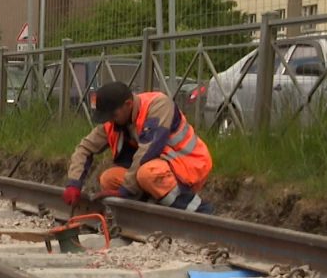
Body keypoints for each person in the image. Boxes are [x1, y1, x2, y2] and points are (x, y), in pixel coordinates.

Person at [63, 81, 214, 214]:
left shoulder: (158, 105)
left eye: (113, 115)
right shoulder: (114, 122)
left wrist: (125, 190)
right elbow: (84, 148)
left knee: (147, 174)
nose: (109, 120)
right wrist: (74, 183)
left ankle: (202, 212)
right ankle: (152, 211)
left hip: (189, 166)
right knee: (109, 179)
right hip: (159, 169)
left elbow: (148, 150)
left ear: (128, 104)